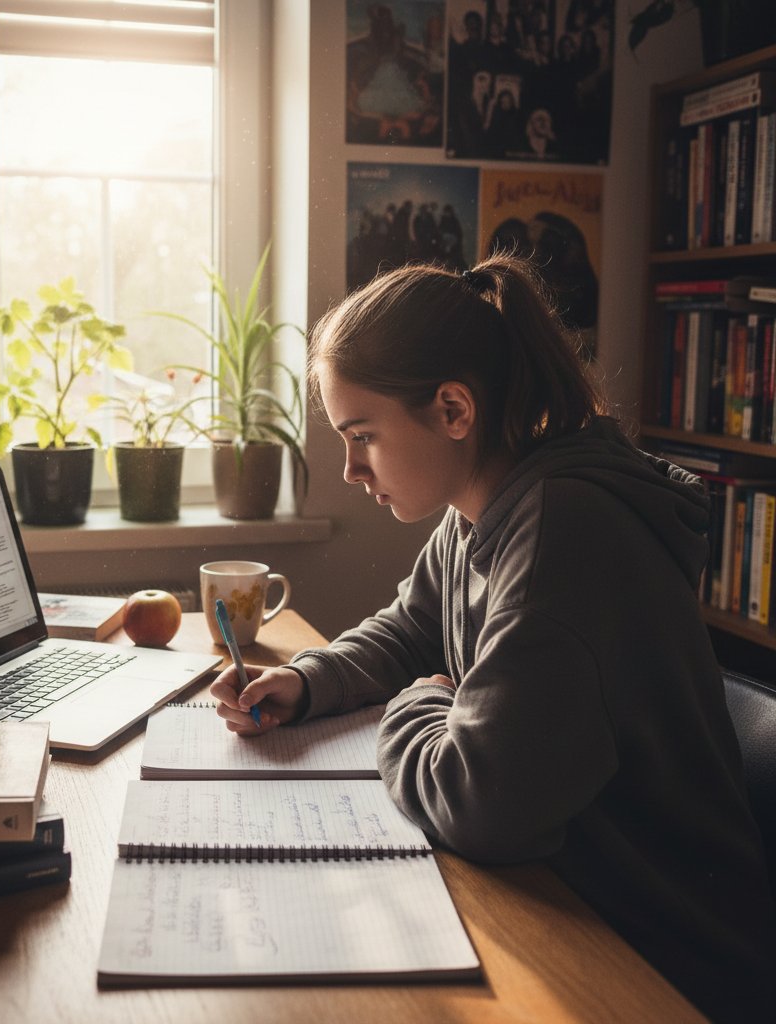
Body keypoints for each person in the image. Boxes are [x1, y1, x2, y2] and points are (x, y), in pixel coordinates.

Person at [210, 253, 776, 1024]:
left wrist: (415, 706)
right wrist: (310, 681)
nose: (348, 469)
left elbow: (479, 803)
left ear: (452, 410)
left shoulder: (561, 536)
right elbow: (414, 626)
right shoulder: (482, 507)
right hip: (575, 894)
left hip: (667, 959)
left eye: (363, 435)